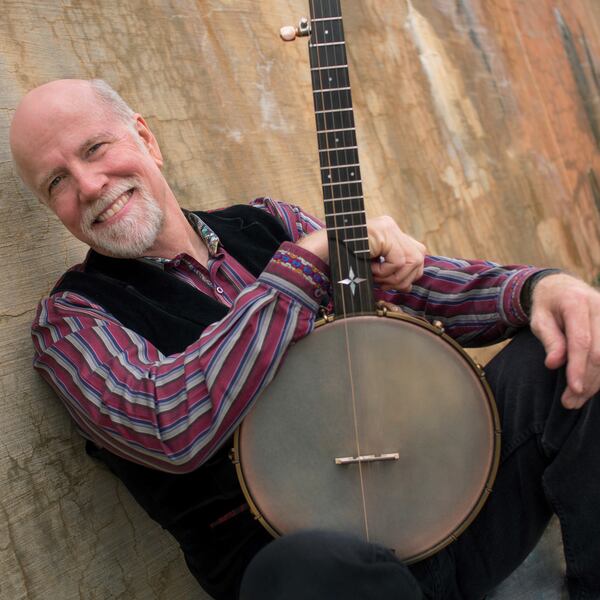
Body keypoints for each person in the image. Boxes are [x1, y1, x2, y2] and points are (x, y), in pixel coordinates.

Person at [9, 79, 600, 600]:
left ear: (145, 137)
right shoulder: (72, 321)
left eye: (95, 148)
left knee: (575, 342)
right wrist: (299, 269)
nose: (88, 185)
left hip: (452, 515)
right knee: (300, 571)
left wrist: (536, 288)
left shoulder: (267, 223)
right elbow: (167, 421)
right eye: (57, 180)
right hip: (321, 579)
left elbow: (414, 281)